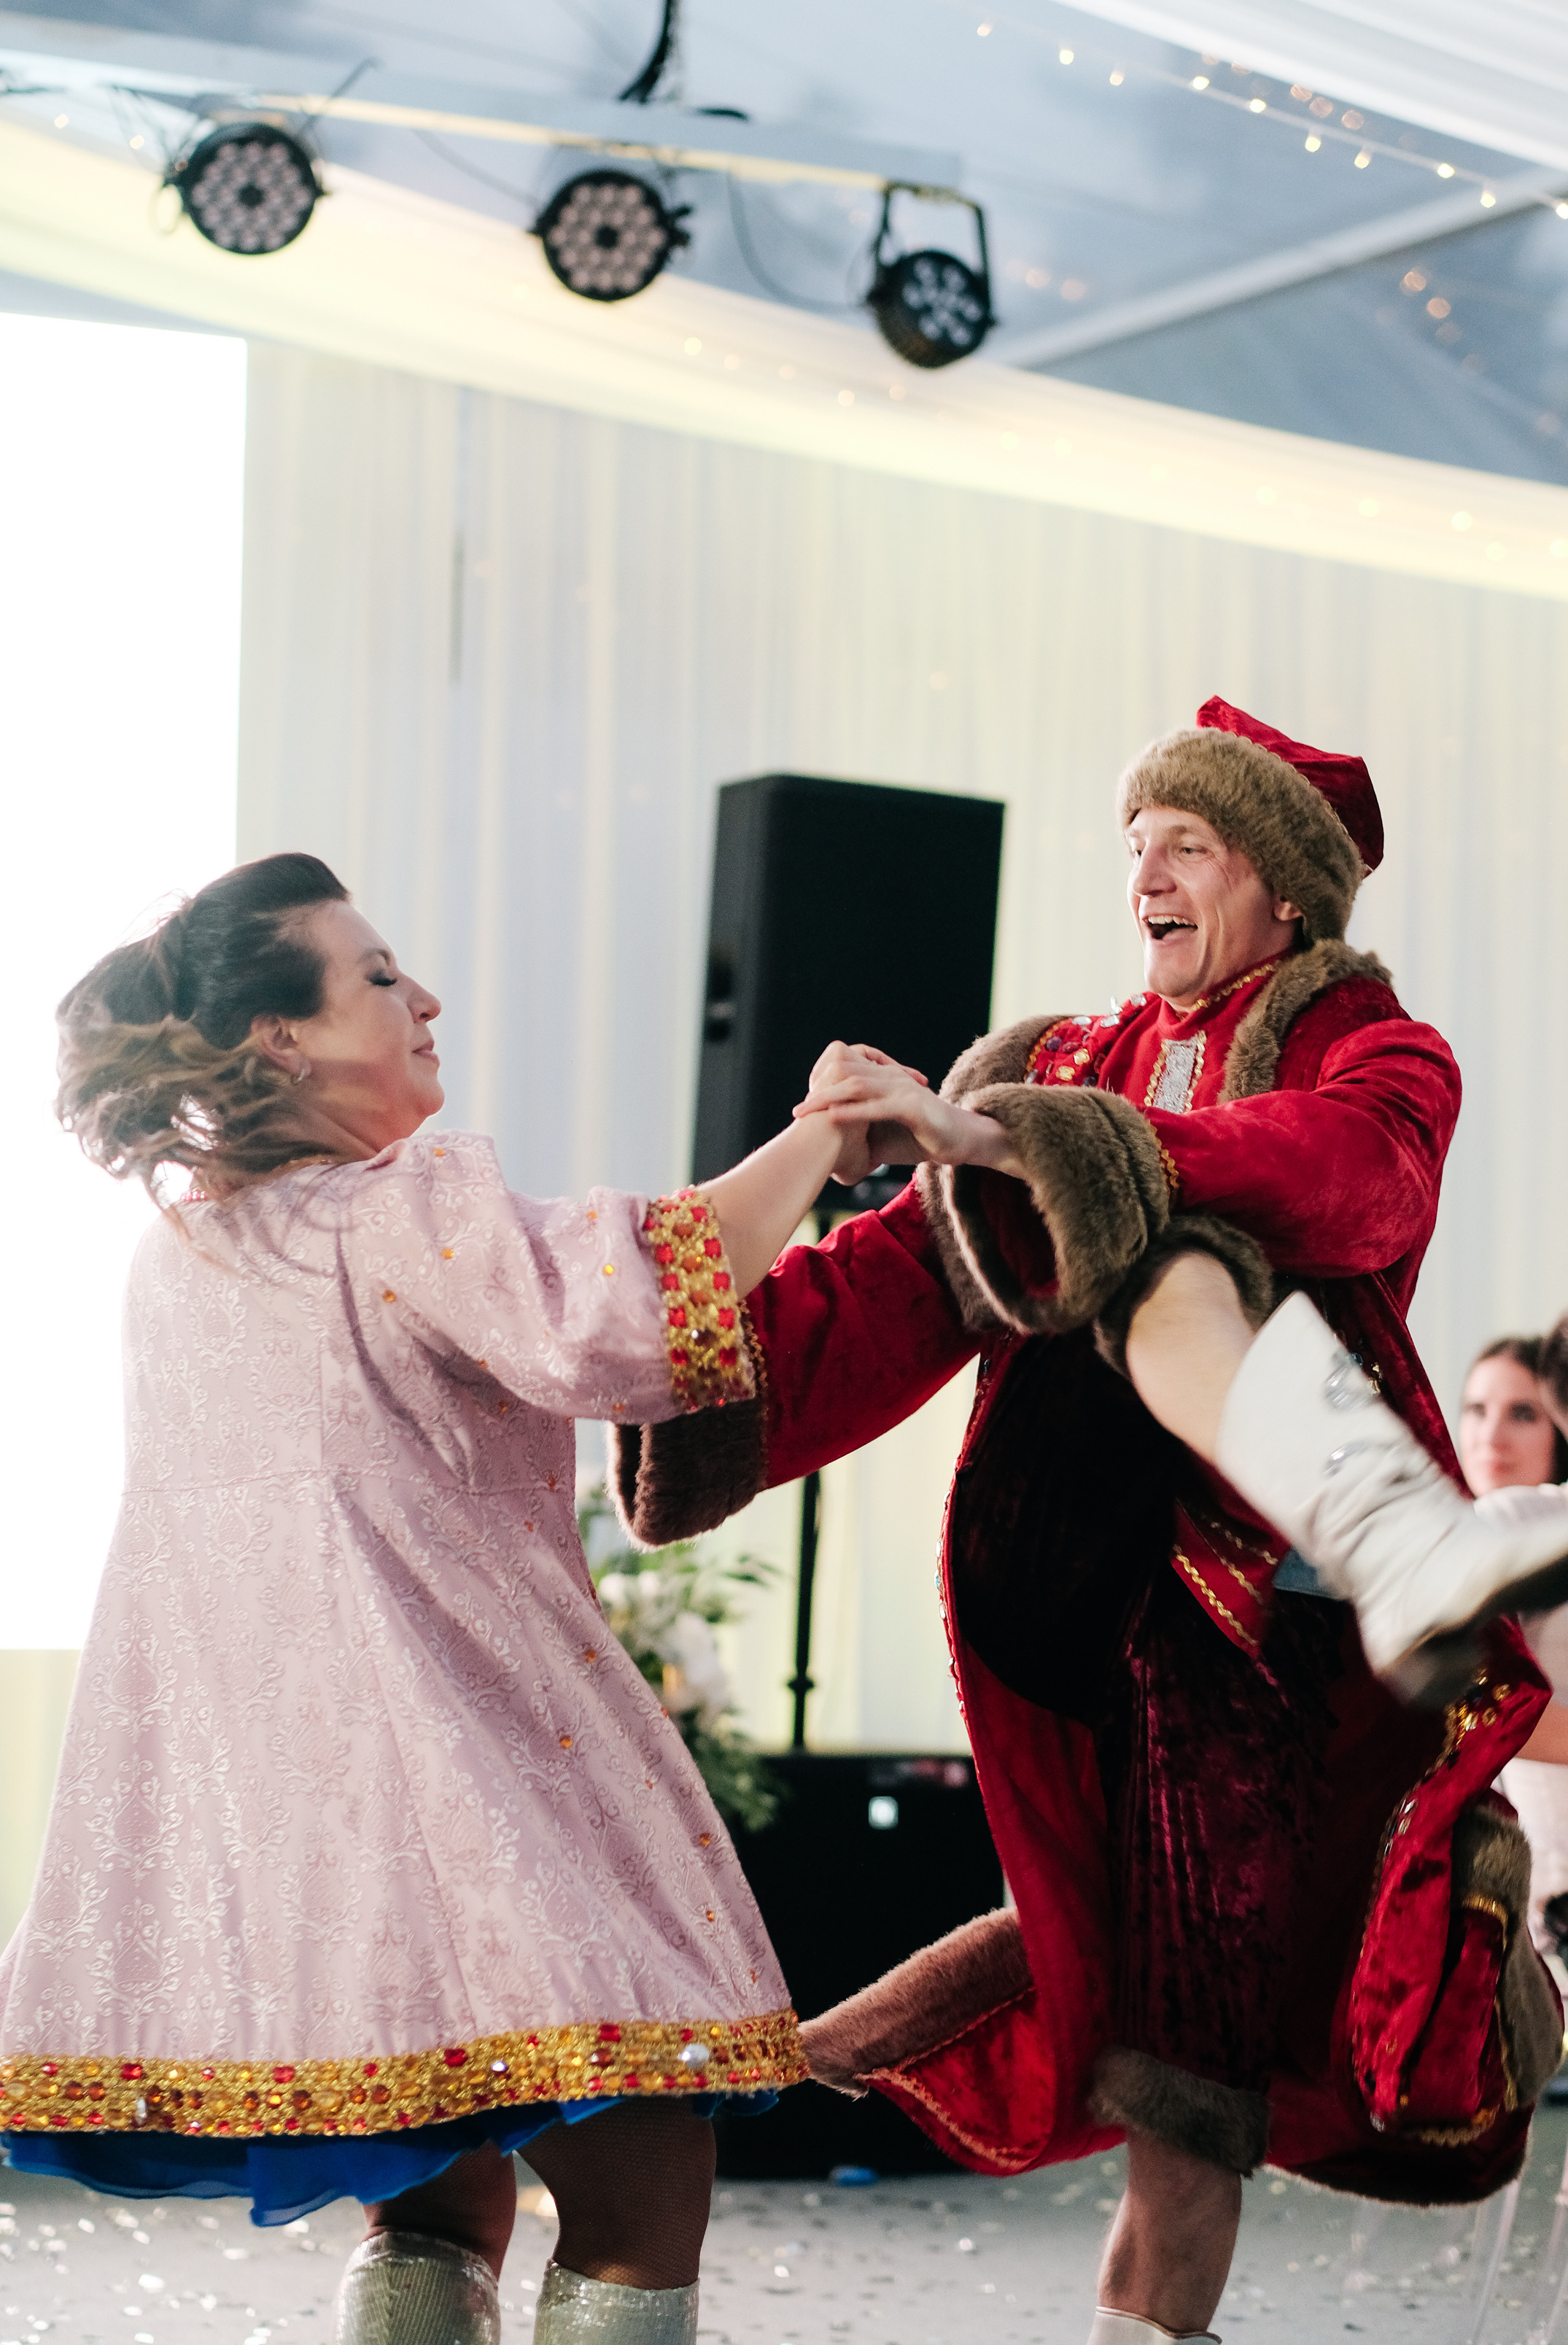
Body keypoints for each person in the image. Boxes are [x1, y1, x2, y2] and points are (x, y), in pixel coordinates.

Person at [613, 700, 1568, 2345]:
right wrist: (697, 1369)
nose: (1144, 872)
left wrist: (1041, 1147)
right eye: (1132, 844)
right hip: (1073, 1592)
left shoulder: (1374, 1051)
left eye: (1185, 843)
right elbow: (900, 1284)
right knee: (1123, 1985)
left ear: (1281, 887)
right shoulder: (1054, 1059)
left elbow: (1348, 1180)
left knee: (1180, 2071)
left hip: (1251, 1629)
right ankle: (808, 2057)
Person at [0, 851, 874, 2345]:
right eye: (375, 976)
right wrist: (820, 1135)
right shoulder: (396, 1204)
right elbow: (616, 1319)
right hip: (455, 1771)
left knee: (439, 2183)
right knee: (644, 2177)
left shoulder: (175, 1254)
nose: (423, 997)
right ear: (278, 1040)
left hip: (295, 1826)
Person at [1461, 1336, 1568, 1956]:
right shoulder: (1504, 1526)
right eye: (1474, 1409)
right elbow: (1481, 1710)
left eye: (1520, 1412)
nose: (1490, 1436)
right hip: (1535, 1905)